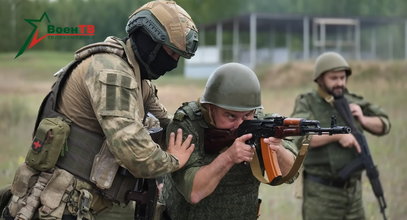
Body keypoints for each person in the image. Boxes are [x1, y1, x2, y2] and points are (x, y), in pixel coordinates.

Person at [2, 1, 198, 219]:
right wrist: (174, 160)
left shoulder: (138, 79)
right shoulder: (112, 73)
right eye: (171, 53)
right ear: (149, 40)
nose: (173, 63)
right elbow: (136, 154)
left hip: (89, 204)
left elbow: (167, 123)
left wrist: (206, 121)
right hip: (60, 205)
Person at [160, 63, 298, 219]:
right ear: (210, 108)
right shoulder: (187, 126)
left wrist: (277, 149)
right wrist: (229, 157)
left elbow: (291, 175)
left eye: (247, 115)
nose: (240, 124)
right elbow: (194, 193)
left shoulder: (260, 122)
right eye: (231, 116)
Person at [290, 52, 391, 220]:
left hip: (353, 194)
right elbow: (300, 135)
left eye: (342, 78)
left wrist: (363, 119)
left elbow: (384, 124)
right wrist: (336, 135)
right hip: (322, 194)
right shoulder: (307, 102)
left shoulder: (352, 100)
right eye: (334, 78)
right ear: (320, 79)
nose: (339, 83)